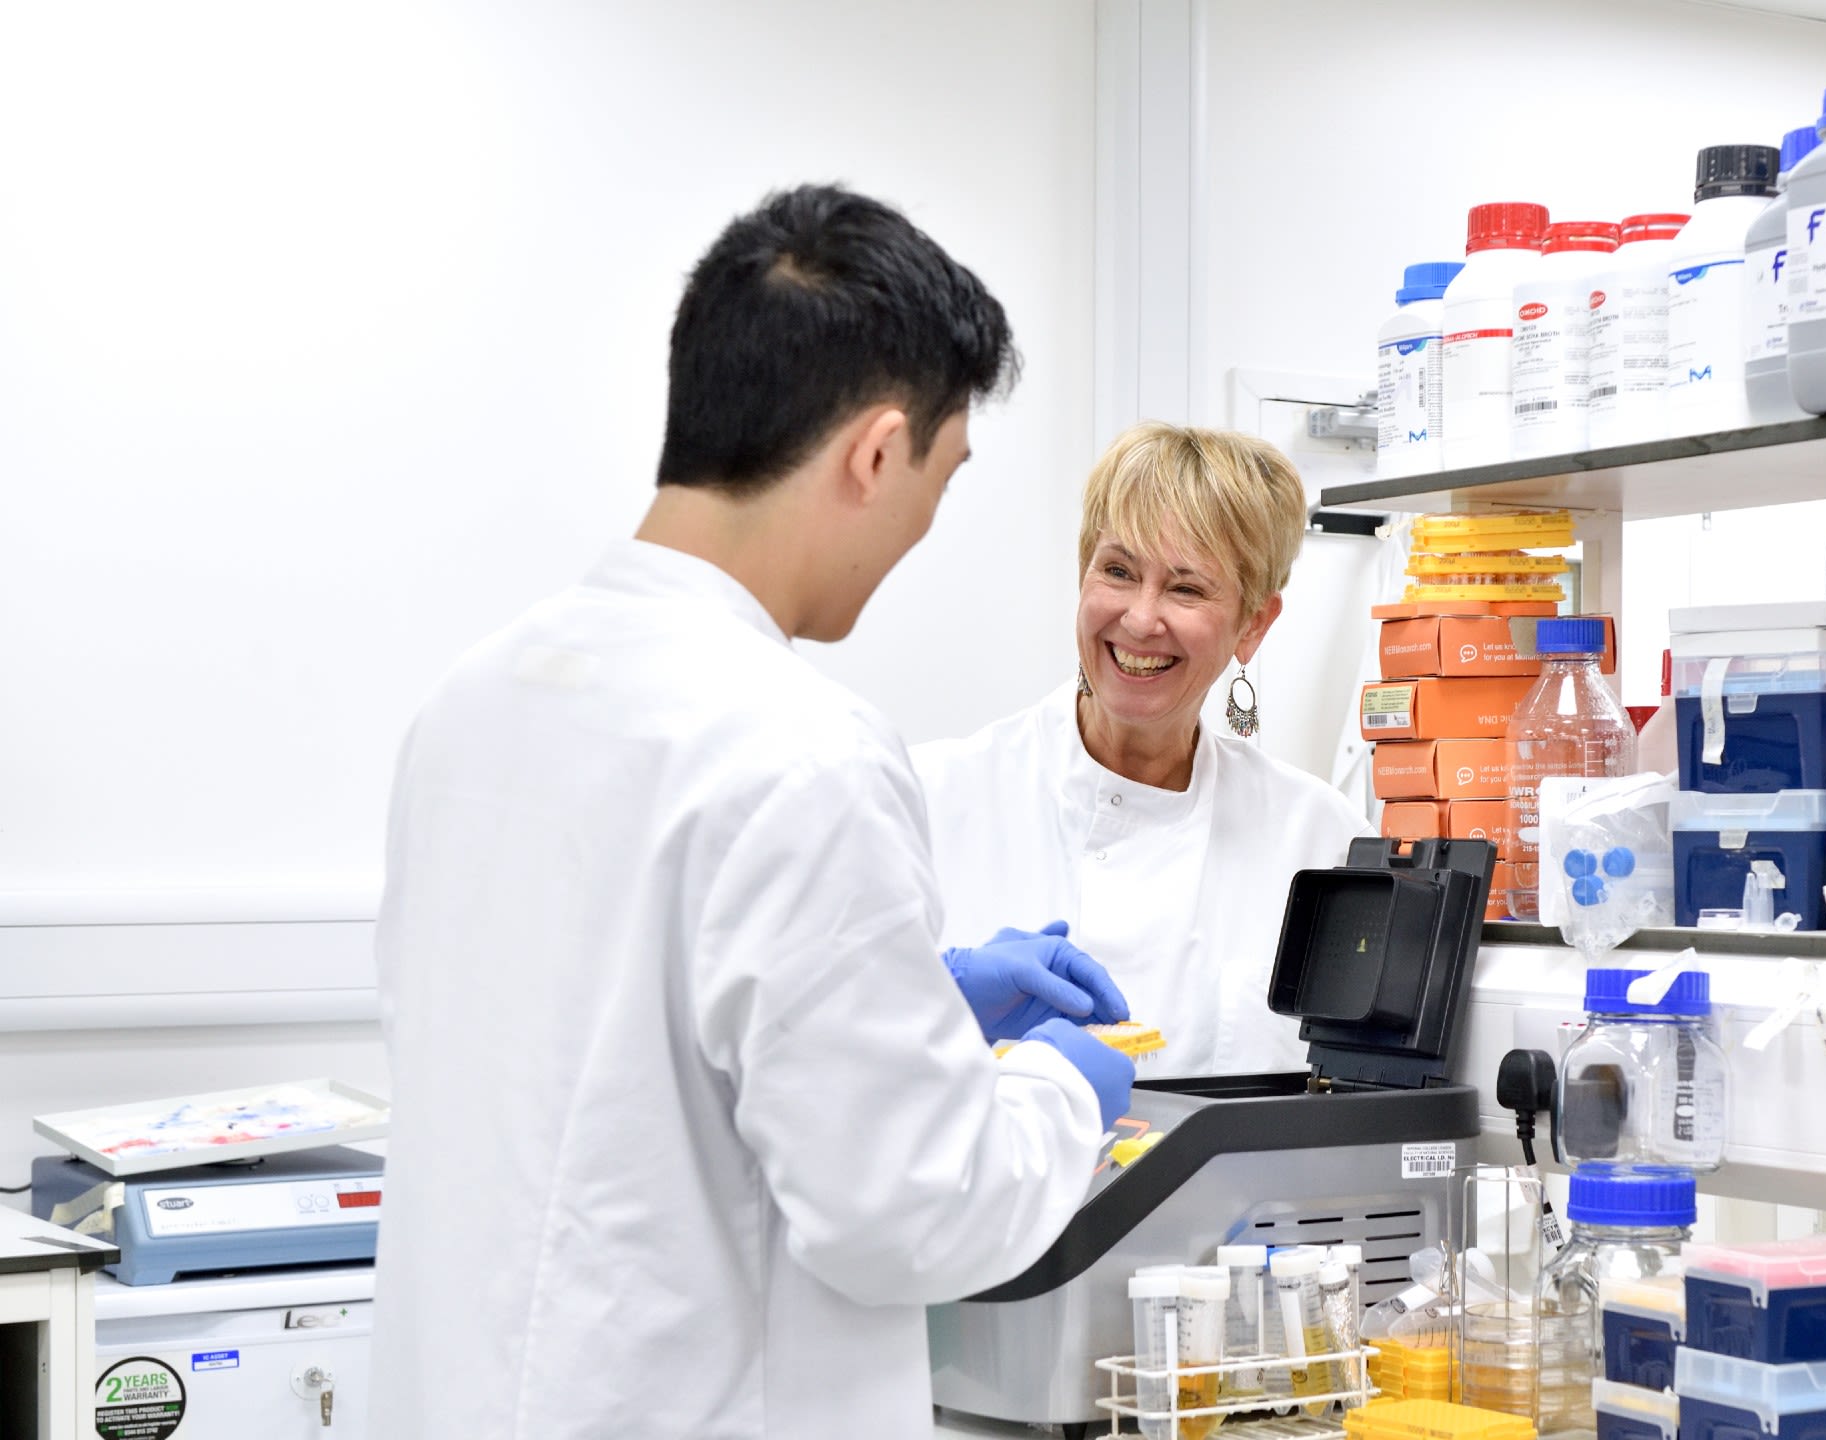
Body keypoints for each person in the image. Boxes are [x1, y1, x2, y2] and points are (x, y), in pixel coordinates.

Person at [369, 185, 1135, 1439]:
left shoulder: (476, 700)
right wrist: (1063, 1088)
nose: (924, 528)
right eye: (942, 476)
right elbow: (910, 1212)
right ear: (877, 454)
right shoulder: (802, 751)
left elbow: (605, 1052)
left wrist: (917, 999)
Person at [914, 423, 1369, 1076]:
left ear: (1253, 624)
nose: (1139, 618)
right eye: (1120, 571)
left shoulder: (1320, 841)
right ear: (1083, 574)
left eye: (1186, 588)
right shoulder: (929, 799)